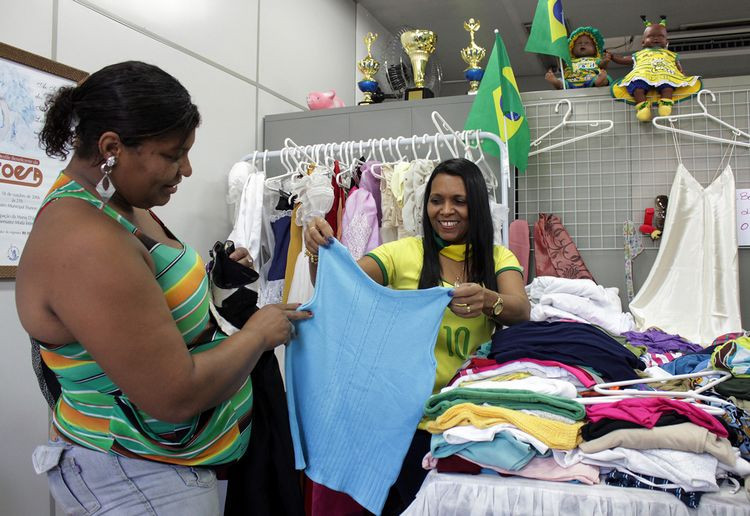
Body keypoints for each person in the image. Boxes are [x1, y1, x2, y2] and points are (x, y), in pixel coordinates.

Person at [16, 61, 311, 515]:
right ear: (111, 147)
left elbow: (145, 300)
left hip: (162, 468)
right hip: (137, 479)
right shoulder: (85, 241)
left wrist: (211, 280)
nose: (186, 170)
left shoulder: (115, 203)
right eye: (173, 154)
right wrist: (258, 335)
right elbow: (175, 393)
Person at [304, 157, 531, 514]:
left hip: (462, 422)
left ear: (476, 205)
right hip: (400, 420)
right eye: (436, 200)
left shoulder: (496, 258)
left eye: (459, 200)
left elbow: (521, 309)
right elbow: (339, 284)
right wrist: (315, 253)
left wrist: (490, 300)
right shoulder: (403, 253)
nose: (446, 210)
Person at [608, 15, 701, 122]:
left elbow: (678, 67)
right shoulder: (639, 54)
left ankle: (665, 104)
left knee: (668, 87)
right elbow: (625, 59)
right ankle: (643, 107)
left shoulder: (671, 54)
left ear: (666, 42)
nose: (656, 38)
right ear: (643, 42)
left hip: (665, 74)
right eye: (651, 36)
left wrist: (682, 74)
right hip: (642, 75)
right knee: (637, 88)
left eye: (660, 36)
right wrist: (613, 57)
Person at [545, 26, 611, 90]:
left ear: (595, 48)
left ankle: (599, 81)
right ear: (572, 49)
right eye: (579, 43)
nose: (582, 44)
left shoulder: (595, 60)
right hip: (571, 82)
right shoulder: (570, 61)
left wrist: (605, 61)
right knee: (563, 82)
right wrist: (560, 55)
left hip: (591, 79)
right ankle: (557, 83)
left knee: (606, 78)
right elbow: (563, 67)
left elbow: (602, 66)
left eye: (587, 43)